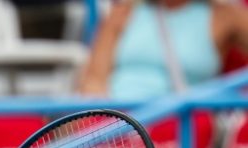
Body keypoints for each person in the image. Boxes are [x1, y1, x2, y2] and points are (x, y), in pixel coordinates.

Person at [77, 0, 248, 99]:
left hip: (182, 127)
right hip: (119, 126)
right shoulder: (122, 12)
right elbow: (93, 82)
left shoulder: (225, 15)